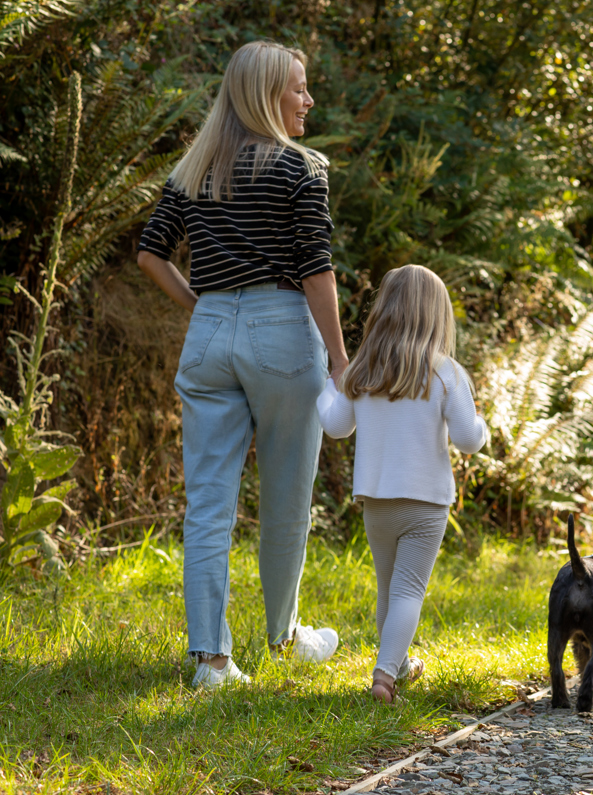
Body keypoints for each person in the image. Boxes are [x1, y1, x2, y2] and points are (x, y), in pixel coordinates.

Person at [137, 41, 349, 688]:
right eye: (298, 88)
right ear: (265, 95)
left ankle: (212, 659)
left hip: (208, 335)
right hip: (281, 334)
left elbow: (150, 253)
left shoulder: (196, 168)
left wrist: (200, 303)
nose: (308, 99)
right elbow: (316, 269)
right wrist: (341, 358)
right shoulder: (300, 168)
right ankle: (283, 636)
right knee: (286, 497)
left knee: (206, 504)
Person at [316, 265, 489, 703]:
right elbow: (469, 440)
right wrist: (484, 424)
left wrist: (323, 387)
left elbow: (336, 427)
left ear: (383, 310)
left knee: (389, 587)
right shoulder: (446, 371)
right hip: (426, 501)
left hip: (376, 499)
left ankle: (400, 663)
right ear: (437, 316)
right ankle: (384, 676)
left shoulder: (363, 371)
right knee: (409, 589)